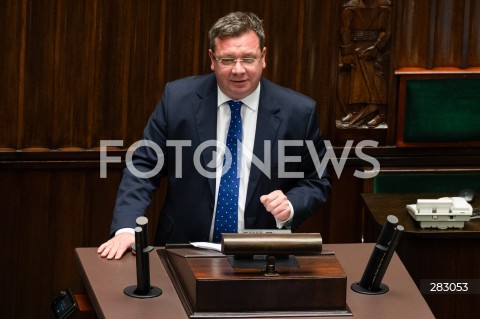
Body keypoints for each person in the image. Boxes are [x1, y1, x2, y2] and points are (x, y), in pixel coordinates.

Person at [98, 11, 331, 260]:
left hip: (264, 255)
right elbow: (143, 164)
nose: (238, 70)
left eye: (248, 59)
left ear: (263, 57)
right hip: (183, 250)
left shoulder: (298, 112)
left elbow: (316, 180)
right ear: (212, 59)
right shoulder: (178, 100)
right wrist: (126, 228)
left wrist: (291, 205)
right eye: (227, 59)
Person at [338, 0, 391, 127]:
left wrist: (377, 47)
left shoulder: (385, 7)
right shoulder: (349, 8)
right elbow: (345, 31)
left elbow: (388, 29)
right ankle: (355, 110)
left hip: (375, 49)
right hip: (356, 47)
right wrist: (347, 53)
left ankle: (381, 113)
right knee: (356, 80)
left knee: (376, 80)